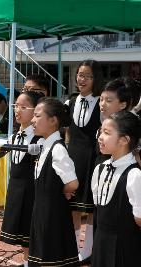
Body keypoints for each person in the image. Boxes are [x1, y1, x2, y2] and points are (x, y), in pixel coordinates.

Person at [29, 98, 79, 267]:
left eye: (37, 116)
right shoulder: (44, 145)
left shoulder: (57, 149)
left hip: (53, 215)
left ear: (53, 121)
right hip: (42, 212)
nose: (32, 120)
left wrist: (61, 189)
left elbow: (73, 183)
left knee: (52, 257)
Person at [91, 111, 141, 267]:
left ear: (124, 140)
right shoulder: (100, 169)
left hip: (126, 251)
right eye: (100, 131)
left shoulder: (134, 175)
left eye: (107, 133)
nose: (100, 136)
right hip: (100, 246)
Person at [0, 91, 42, 267]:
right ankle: (26, 261)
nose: (18, 110)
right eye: (16, 106)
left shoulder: (40, 140)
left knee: (30, 231)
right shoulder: (14, 136)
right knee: (22, 233)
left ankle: (32, 262)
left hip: (32, 191)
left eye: (24, 107)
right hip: (16, 188)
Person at [66, 60, 103, 262]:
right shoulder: (71, 101)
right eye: (80, 75)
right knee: (73, 205)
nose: (82, 79)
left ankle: (87, 250)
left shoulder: (101, 102)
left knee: (89, 207)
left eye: (87, 76)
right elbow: (68, 132)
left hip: (93, 157)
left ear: (95, 79)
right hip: (73, 156)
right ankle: (73, 248)